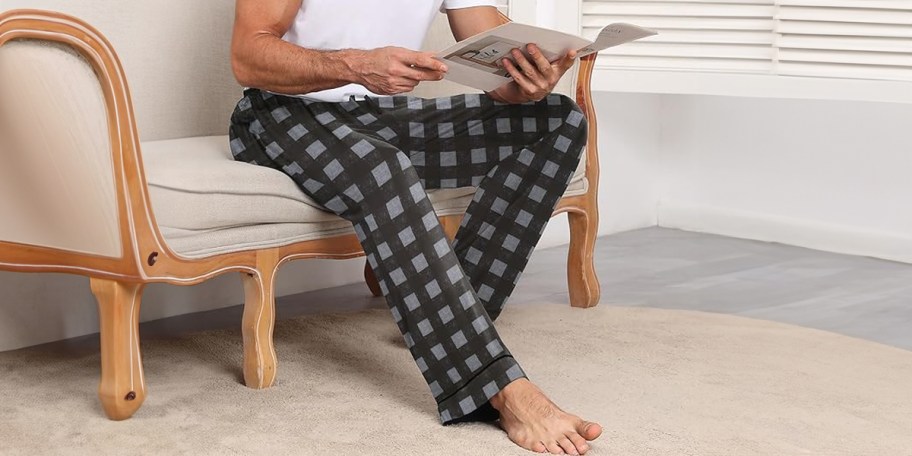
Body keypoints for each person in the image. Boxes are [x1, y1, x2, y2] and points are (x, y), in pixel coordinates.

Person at [228, 1, 602, 453]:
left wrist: (524, 82)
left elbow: (495, 69)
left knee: (558, 121)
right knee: (383, 168)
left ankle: (452, 321)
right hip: (280, 114)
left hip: (380, 114)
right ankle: (496, 387)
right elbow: (247, 56)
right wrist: (356, 65)